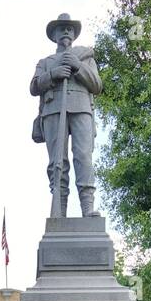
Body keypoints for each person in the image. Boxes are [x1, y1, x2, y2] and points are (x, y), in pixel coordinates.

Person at [31, 13, 103, 217]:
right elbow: (34, 86)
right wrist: (52, 75)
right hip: (53, 109)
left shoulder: (85, 56)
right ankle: (59, 212)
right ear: (53, 35)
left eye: (70, 28)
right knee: (57, 162)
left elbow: (97, 86)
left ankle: (88, 209)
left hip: (81, 107)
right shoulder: (45, 62)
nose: (66, 31)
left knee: (83, 157)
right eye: (61, 28)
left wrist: (77, 66)